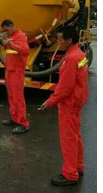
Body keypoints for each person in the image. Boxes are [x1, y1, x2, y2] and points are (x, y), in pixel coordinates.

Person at [39, 26, 89, 186]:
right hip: (77, 100)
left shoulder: (71, 59)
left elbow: (65, 88)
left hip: (69, 103)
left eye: (60, 39)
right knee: (75, 136)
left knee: (68, 139)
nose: (58, 42)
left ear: (69, 40)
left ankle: (70, 174)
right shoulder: (79, 54)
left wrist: (50, 102)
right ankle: (78, 167)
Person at [0, 19, 30, 134]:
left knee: (18, 97)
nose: (6, 32)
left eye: (7, 30)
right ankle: (14, 118)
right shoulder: (11, 36)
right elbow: (10, 52)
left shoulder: (20, 36)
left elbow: (25, 51)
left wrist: (10, 43)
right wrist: (5, 43)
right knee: (11, 96)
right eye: (4, 31)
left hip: (17, 71)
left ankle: (24, 124)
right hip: (10, 70)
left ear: (12, 26)